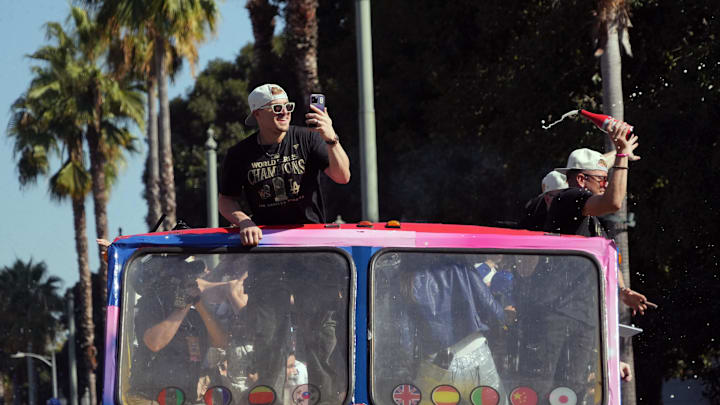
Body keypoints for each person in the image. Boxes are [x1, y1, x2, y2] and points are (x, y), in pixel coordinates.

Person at [219, 84, 351, 246]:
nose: (284, 112)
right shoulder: (238, 154)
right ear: (257, 114)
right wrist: (244, 222)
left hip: (310, 240)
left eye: (288, 106)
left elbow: (342, 176)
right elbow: (225, 200)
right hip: (265, 243)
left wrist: (331, 139)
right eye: (276, 108)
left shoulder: (308, 138)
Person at [543, 122, 653, 315]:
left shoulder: (589, 216)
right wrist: (621, 155)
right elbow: (614, 202)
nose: (606, 185)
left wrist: (622, 291)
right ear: (580, 180)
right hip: (560, 315)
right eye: (602, 180)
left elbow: (608, 259)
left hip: (582, 314)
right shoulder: (567, 198)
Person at [126, 257, 229, 405]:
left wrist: (198, 302)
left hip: (187, 397)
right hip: (151, 397)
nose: (187, 281)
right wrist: (184, 305)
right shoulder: (150, 305)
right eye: (180, 278)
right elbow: (154, 343)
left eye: (188, 277)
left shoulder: (195, 312)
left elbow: (221, 341)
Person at [409, 255, 510, 404]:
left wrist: (407, 365)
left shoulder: (406, 274)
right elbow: (490, 305)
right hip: (475, 354)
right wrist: (506, 315)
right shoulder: (460, 265)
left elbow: (403, 330)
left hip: (435, 362)